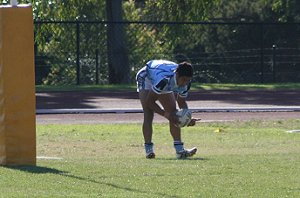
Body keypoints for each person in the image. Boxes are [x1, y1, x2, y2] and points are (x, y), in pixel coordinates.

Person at [136, 59, 199, 159]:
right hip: (147, 76)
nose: (184, 83)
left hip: (160, 76)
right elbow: (150, 102)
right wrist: (168, 116)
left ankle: (180, 151)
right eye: (183, 80)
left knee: (174, 112)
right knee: (148, 112)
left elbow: (181, 102)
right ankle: (149, 150)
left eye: (188, 80)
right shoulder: (164, 80)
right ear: (177, 75)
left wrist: (187, 117)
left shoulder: (186, 83)